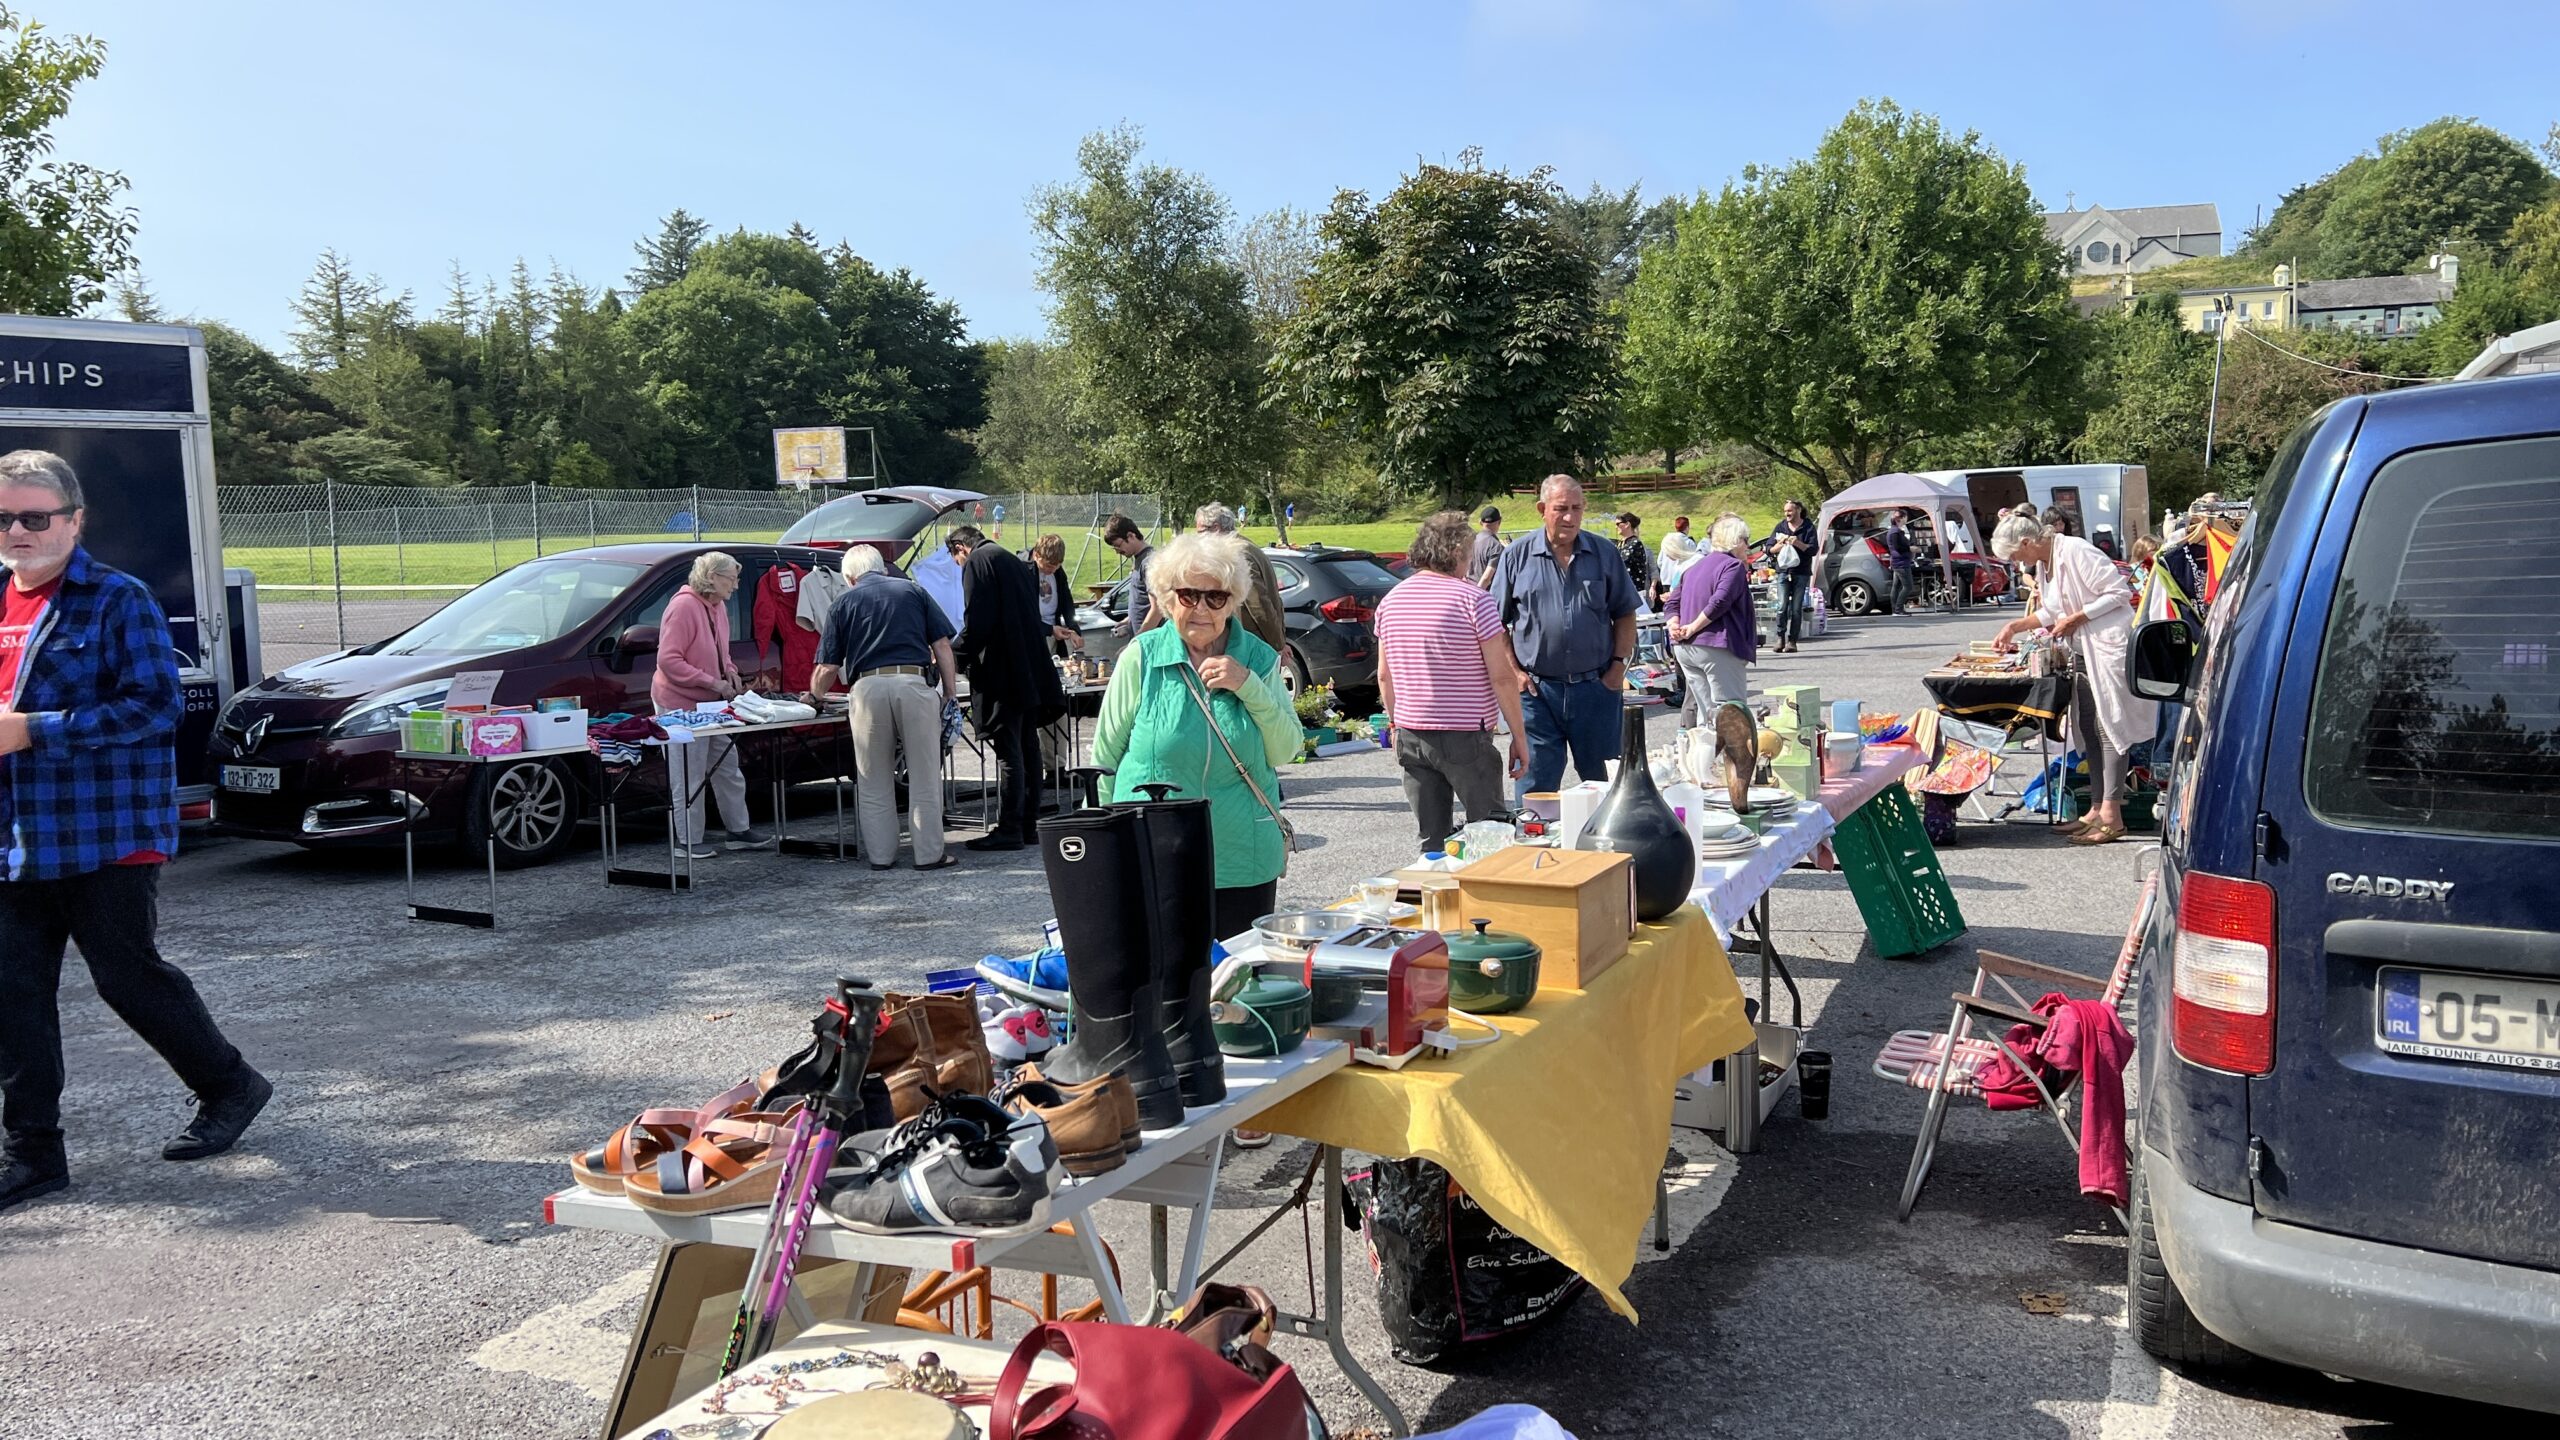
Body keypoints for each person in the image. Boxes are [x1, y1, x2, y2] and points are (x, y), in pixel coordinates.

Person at [0, 449, 270, 1211]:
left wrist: (35, 730)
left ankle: (230, 1085)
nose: (18, 532)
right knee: (13, 995)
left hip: (105, 830)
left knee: (127, 980)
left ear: (74, 520)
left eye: (35, 517)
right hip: (15, 837)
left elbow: (154, 707)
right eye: (4, 517)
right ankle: (32, 1155)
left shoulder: (118, 598)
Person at [1091, 530, 1298, 940]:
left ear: (1232, 601)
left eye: (1215, 597)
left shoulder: (1258, 659)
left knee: (1237, 975)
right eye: (1188, 595)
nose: (1201, 608)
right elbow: (1104, 760)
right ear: (1168, 600)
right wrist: (1102, 852)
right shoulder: (1141, 657)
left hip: (1242, 857)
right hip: (1155, 855)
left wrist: (1247, 685)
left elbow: (1286, 750)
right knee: (1162, 974)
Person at [1990, 512, 2156, 846]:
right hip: (2083, 649)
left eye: (2014, 554)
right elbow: (2052, 611)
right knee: (2087, 725)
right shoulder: (2044, 563)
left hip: (2108, 647)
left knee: (2110, 727)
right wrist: (2015, 626)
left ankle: (2112, 814)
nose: (2015, 562)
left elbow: (2118, 593)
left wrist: (2076, 618)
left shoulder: (2077, 550)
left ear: (2027, 542)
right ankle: (2095, 808)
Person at [1375, 512, 1529, 847]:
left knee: (1431, 839)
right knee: (1489, 834)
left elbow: (1385, 676)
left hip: (1412, 731)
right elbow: (1502, 677)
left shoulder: (1391, 601)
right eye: (1469, 555)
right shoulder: (1474, 600)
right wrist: (1519, 735)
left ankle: (1433, 879)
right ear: (1457, 552)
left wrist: (1394, 723)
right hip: (1464, 733)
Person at [806, 547, 960, 870]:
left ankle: (881, 857)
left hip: (867, 690)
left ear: (850, 578)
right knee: (924, 775)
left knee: (872, 777)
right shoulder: (914, 591)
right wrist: (949, 692)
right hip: (913, 683)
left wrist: (815, 696)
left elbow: (828, 666)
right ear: (884, 569)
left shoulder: (842, 603)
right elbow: (942, 645)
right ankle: (929, 855)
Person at [1490, 475, 1640, 806]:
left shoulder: (1604, 553)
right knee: (1536, 791)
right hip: (1537, 693)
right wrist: (1515, 673)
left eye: (1577, 508)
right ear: (1542, 509)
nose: (1570, 517)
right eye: (1561, 509)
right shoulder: (1516, 556)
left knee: (1607, 790)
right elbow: (1495, 623)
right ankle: (1536, 839)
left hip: (1596, 689)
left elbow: (1625, 614)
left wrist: (1617, 669)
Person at [947, 526, 1066, 851]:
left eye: (956, 559)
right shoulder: (1013, 561)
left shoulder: (978, 561)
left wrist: (952, 657)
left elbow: (978, 621)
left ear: (960, 547)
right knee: (1028, 749)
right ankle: (1028, 826)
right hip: (1028, 670)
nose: (959, 565)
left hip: (1002, 673)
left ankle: (1010, 828)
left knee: (1009, 754)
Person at [654, 552, 771, 859]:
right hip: (679, 705)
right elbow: (668, 660)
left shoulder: (717, 606)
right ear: (711, 577)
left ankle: (738, 830)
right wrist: (712, 682)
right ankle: (687, 841)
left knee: (727, 766)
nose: (736, 585)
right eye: (731, 578)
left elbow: (722, 652)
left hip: (710, 705)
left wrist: (729, 672)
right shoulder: (682, 607)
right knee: (688, 773)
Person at [1668, 514, 1759, 724]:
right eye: (1746, 540)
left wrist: (1674, 625)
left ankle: (1705, 745)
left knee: (1706, 715)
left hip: (1686, 650)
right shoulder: (1732, 566)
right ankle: (1727, 748)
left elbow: (1672, 603)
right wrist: (1692, 627)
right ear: (1736, 540)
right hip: (1716, 646)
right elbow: (1720, 601)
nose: (1748, 546)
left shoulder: (1693, 568)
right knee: (1731, 711)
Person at [1185, 504, 1286, 653]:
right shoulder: (1246, 545)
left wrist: (1278, 645)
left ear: (1216, 528)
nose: (1199, 539)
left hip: (1252, 645)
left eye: (1200, 533)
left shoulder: (1237, 554)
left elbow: (1258, 606)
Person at [1766, 498, 1817, 652]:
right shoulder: (1780, 526)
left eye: (1789, 510)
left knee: (1796, 608)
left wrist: (1797, 543)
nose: (1787, 514)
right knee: (1782, 607)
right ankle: (1780, 638)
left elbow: (1813, 550)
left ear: (1798, 510)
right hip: (1783, 572)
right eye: (1785, 511)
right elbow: (1768, 549)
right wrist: (1779, 545)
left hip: (1801, 573)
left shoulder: (1808, 527)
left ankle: (1792, 641)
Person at [1029, 533, 1081, 656]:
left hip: (1054, 632)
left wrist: (1073, 629)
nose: (1052, 570)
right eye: (1048, 566)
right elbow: (1022, 614)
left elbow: (1067, 601)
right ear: (1037, 555)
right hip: (1032, 635)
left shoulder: (1058, 572)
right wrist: (1048, 629)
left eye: (1057, 566)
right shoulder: (1024, 571)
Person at [1103, 515, 1154, 638]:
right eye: (1114, 548)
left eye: (1118, 545)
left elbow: (1157, 609)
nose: (1117, 551)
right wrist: (1128, 620)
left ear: (1131, 536)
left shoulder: (1149, 562)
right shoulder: (1139, 560)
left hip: (1150, 641)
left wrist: (1138, 640)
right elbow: (1142, 603)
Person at [1883, 512, 1916, 615]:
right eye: (1905, 517)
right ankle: (1898, 609)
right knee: (1908, 587)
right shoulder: (1895, 532)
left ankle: (1895, 610)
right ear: (1901, 518)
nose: (1906, 519)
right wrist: (1910, 548)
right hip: (1901, 562)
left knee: (1896, 587)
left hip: (1898, 562)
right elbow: (1897, 547)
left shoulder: (1896, 531)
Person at [1613, 513, 1652, 595]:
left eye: (1618, 524)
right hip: (1623, 590)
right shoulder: (1621, 543)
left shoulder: (1635, 543)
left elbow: (1621, 561)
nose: (1616, 527)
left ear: (1627, 524)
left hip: (1633, 592)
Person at [1467, 507, 1505, 589]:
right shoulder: (1496, 546)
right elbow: (1487, 578)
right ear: (1499, 521)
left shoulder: (1471, 540)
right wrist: (1477, 593)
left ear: (1480, 522)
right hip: (1483, 592)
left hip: (1467, 587)